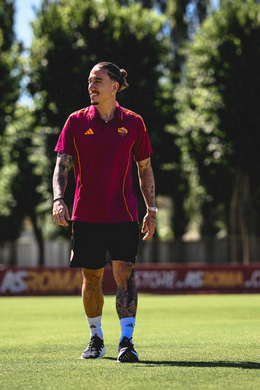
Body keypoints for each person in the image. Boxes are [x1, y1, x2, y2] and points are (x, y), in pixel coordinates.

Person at [52, 62, 157, 363]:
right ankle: (96, 338)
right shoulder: (75, 121)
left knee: (125, 275)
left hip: (124, 214)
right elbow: (61, 165)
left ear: (115, 86)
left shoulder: (134, 122)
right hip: (86, 214)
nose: (91, 86)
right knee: (91, 277)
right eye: (89, 81)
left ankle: (127, 342)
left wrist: (151, 209)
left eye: (97, 81)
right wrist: (59, 199)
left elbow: (145, 168)